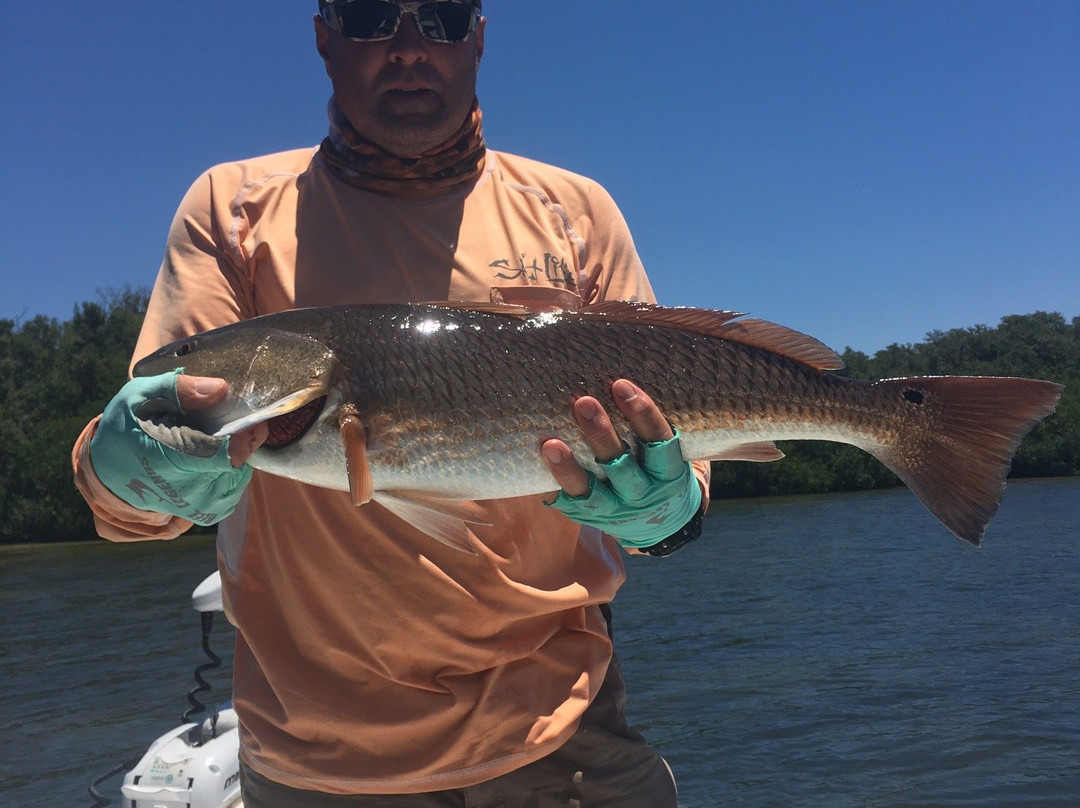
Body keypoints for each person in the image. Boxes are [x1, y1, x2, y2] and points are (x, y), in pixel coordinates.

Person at [72, 2, 710, 805]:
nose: (409, 49)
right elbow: (133, 511)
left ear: (478, 39)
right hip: (318, 754)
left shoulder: (576, 210)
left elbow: (679, 481)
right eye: (373, 15)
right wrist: (125, 468)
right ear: (323, 36)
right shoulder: (231, 210)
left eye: (441, 17)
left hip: (563, 727)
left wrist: (669, 510)